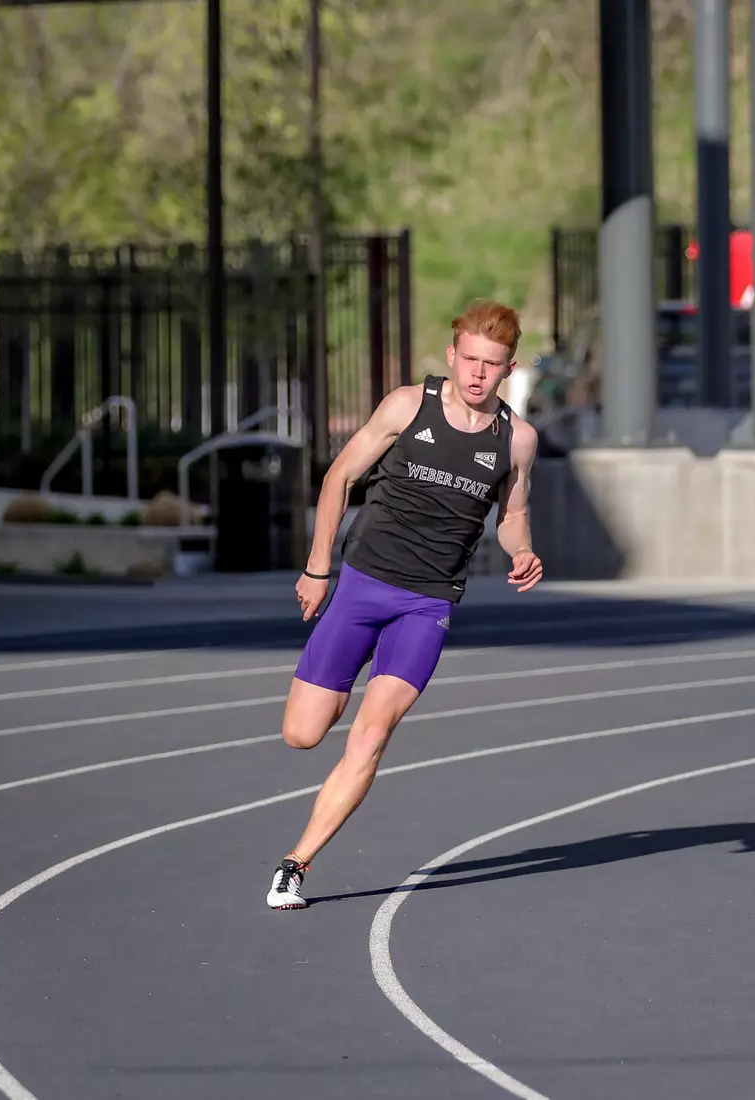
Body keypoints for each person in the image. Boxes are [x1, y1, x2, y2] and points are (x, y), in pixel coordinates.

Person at [265, 299, 544, 910]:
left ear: (508, 369)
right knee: (302, 734)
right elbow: (338, 477)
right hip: (362, 587)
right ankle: (330, 691)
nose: (476, 374)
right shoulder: (406, 405)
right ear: (452, 356)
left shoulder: (516, 440)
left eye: (490, 365)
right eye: (468, 360)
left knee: (371, 735)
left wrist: (522, 551)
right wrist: (318, 568)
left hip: (427, 605)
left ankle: (296, 863)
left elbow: (512, 516)